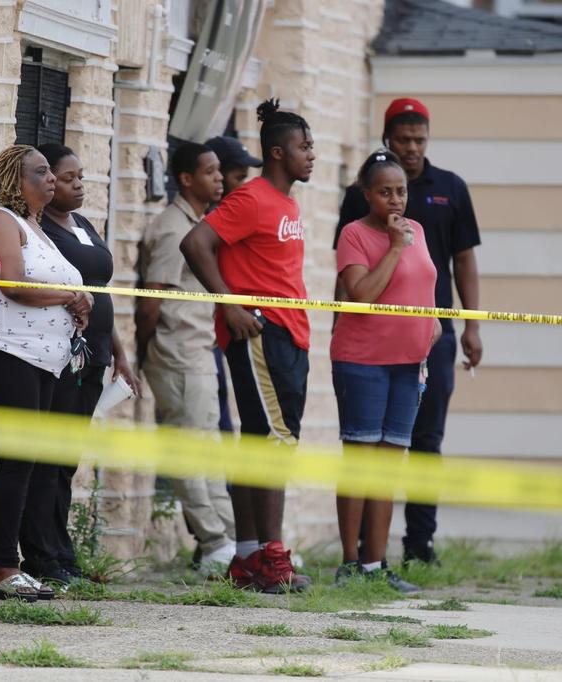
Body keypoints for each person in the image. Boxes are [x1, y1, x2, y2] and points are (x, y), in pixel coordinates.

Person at [335, 97, 482, 565]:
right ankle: (357, 558)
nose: (413, 147)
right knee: (364, 454)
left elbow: (459, 263)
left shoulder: (448, 191)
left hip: (421, 349)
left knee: (419, 445)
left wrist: (461, 325)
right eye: (404, 140)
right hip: (366, 350)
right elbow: (353, 281)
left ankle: (414, 546)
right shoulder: (358, 214)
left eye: (420, 139)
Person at [181, 99, 314, 593]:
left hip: (291, 334)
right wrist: (230, 305)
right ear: (278, 153)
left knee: (263, 442)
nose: (311, 155)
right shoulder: (251, 198)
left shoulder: (288, 203)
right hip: (261, 333)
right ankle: (273, 557)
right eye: (304, 147)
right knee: (275, 444)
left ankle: (249, 558)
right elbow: (195, 243)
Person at [0, 145, 94, 601]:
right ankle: (5, 567)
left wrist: (81, 302)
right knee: (18, 456)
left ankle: (19, 562)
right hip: (9, 349)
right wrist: (71, 297)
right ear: (14, 180)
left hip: (46, 357)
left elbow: (60, 287)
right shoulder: (0, 219)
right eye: (41, 172)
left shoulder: (36, 226)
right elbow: (14, 285)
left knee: (31, 457)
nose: (51, 180)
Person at [28, 143, 141, 585]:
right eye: (67, 178)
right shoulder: (40, 231)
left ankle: (60, 549)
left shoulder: (83, 225)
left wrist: (121, 355)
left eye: (81, 178)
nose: (77, 186)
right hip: (64, 355)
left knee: (68, 459)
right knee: (50, 458)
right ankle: (43, 554)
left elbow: (99, 292)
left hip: (97, 354)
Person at [332, 150, 438, 593]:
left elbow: (425, 285)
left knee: (390, 466)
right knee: (361, 461)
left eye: (401, 191)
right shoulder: (354, 235)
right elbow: (361, 296)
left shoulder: (418, 231)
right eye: (385, 192)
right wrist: (394, 247)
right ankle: (350, 563)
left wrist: (432, 324)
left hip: (409, 365)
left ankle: (376, 565)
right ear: (367, 194)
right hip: (363, 362)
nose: (396, 200)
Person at [136, 142, 236, 576]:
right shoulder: (172, 228)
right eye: (210, 171)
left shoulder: (198, 224)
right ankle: (213, 542)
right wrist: (144, 351)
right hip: (175, 352)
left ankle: (232, 540)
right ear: (186, 179)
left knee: (208, 448)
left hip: (199, 350)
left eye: (219, 171)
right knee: (189, 449)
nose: (219, 178)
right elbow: (151, 301)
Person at [205, 135, 264, 434]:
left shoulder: (234, 219)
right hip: (201, 336)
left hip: (219, 334)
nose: (244, 186)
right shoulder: (207, 228)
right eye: (238, 178)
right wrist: (229, 306)